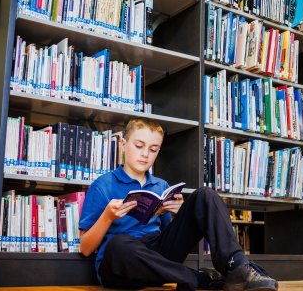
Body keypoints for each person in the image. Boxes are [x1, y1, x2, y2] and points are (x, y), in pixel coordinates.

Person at [79, 118, 279, 291]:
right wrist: (107, 217)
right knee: (118, 244)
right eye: (139, 146)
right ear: (123, 144)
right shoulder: (102, 185)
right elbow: (86, 248)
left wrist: (177, 215)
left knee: (205, 194)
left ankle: (237, 267)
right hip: (120, 265)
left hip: (156, 254)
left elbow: (171, 240)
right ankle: (197, 278)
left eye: (153, 149)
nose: (145, 154)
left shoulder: (161, 185)